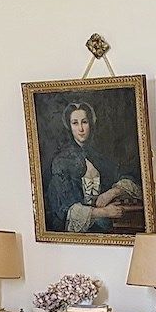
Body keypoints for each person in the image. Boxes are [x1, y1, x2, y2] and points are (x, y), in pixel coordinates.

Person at [44, 100, 143, 234]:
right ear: (69, 126)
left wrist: (112, 192)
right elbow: (64, 210)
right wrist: (104, 212)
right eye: (75, 123)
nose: (81, 129)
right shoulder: (61, 161)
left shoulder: (100, 157)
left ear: (90, 123)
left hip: (108, 228)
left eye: (84, 122)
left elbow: (130, 180)